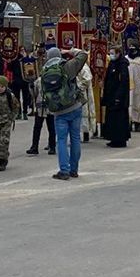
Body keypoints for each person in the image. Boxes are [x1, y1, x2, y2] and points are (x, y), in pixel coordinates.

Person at [41, 46, 88, 179]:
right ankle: (74, 169)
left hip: (59, 111)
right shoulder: (68, 66)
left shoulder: (44, 71)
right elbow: (84, 54)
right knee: (75, 138)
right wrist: (70, 51)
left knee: (61, 140)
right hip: (74, 106)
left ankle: (64, 170)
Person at [102, 47, 132, 147]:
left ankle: (120, 140)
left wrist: (118, 96)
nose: (111, 55)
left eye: (112, 53)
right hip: (111, 96)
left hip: (119, 97)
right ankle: (113, 139)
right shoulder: (112, 63)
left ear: (118, 53)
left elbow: (123, 82)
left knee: (119, 119)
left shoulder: (122, 65)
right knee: (112, 119)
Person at [0, 75, 19, 171]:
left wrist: (12, 117)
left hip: (6, 121)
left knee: (3, 141)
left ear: (6, 87)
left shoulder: (10, 96)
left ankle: (2, 161)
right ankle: (4, 153)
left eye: (2, 86)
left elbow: (16, 107)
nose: (0, 88)